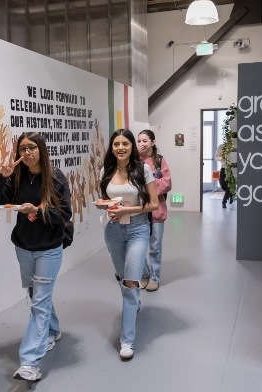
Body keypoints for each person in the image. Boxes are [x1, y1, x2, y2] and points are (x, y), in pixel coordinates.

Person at [0, 131, 72, 382]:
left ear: (41, 150)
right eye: (23, 149)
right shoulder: (17, 177)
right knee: (35, 293)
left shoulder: (55, 178)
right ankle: (52, 331)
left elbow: (64, 214)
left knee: (39, 302)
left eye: (32, 147)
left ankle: (30, 362)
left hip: (50, 248)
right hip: (23, 245)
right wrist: (2, 176)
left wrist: (39, 210)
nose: (27, 153)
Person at [94, 129, 158, 361]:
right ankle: (135, 301)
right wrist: (105, 206)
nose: (121, 148)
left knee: (131, 282)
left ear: (132, 146)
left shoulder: (144, 170)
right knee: (123, 279)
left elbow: (152, 204)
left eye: (125, 143)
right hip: (113, 231)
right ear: (112, 147)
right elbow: (108, 201)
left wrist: (127, 209)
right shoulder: (106, 170)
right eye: (116, 144)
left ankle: (127, 339)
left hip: (138, 230)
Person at [137, 130, 172, 292]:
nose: (141, 144)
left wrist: (148, 186)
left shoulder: (159, 161)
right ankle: (144, 273)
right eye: (139, 141)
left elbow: (167, 183)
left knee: (155, 247)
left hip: (157, 210)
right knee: (139, 245)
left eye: (145, 141)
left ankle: (155, 277)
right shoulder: (134, 161)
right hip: (138, 209)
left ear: (153, 142)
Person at [215, 143, 234, 208]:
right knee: (222, 185)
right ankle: (231, 194)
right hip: (224, 168)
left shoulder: (234, 147)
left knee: (229, 186)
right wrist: (223, 158)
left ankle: (224, 202)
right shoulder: (221, 146)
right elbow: (217, 157)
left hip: (232, 169)